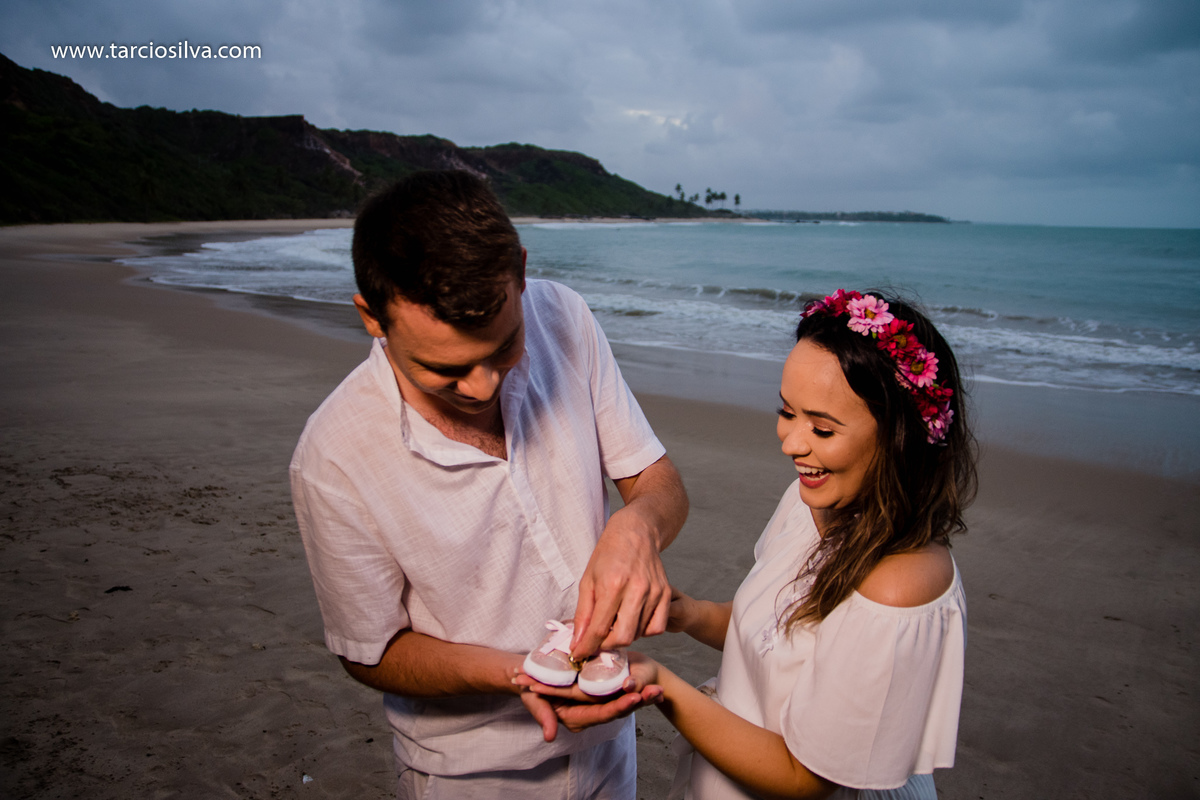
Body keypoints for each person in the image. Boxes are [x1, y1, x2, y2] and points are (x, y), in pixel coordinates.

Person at [290, 170, 688, 798]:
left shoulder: (564, 316)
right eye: (443, 369)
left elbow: (657, 480)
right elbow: (369, 651)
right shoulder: (332, 456)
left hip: (611, 751)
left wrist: (637, 524)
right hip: (469, 773)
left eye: (504, 349)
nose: (483, 387)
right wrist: (517, 675)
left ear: (521, 272)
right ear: (372, 316)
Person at [520, 289, 976, 799]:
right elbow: (769, 632)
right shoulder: (812, 502)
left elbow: (804, 778)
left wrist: (655, 683)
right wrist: (686, 613)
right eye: (787, 412)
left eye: (822, 428)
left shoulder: (897, 587)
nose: (791, 443)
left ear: (902, 436)